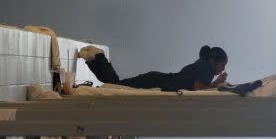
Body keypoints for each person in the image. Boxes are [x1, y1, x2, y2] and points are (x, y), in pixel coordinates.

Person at [80, 45, 228, 92]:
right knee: (116, 86)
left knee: (115, 86)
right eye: (222, 65)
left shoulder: (204, 65)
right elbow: (197, 89)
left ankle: (94, 58)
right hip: (157, 82)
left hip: (157, 79)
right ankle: (98, 56)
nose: (222, 70)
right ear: (213, 61)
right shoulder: (206, 70)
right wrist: (217, 83)